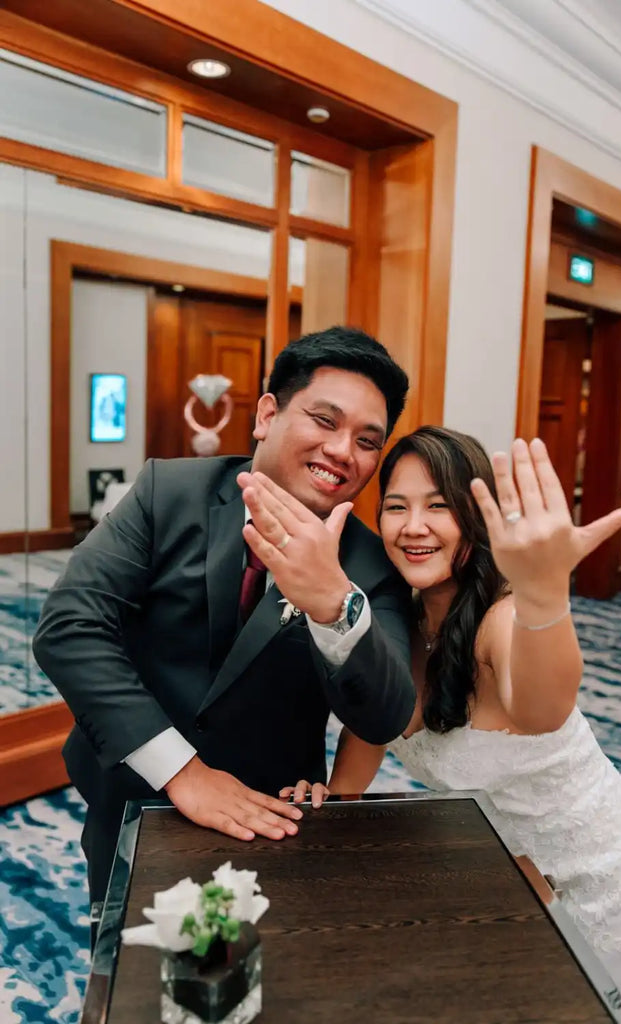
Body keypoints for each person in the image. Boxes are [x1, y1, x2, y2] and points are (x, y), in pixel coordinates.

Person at [281, 427, 621, 1024]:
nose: (413, 525)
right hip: (501, 861)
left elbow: (543, 708)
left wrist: (547, 596)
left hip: (592, 865)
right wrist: (335, 802)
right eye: (397, 506)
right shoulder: (399, 615)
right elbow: (376, 720)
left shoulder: (504, 618)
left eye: (438, 506)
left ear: (474, 518)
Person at [33, 326, 415, 907]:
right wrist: (184, 773)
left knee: (254, 974)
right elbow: (69, 626)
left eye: (368, 441)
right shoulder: (169, 492)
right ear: (267, 414)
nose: (343, 451)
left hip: (271, 813)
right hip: (134, 782)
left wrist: (333, 604)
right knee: (122, 960)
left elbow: (386, 714)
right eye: (325, 420)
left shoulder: (368, 564)